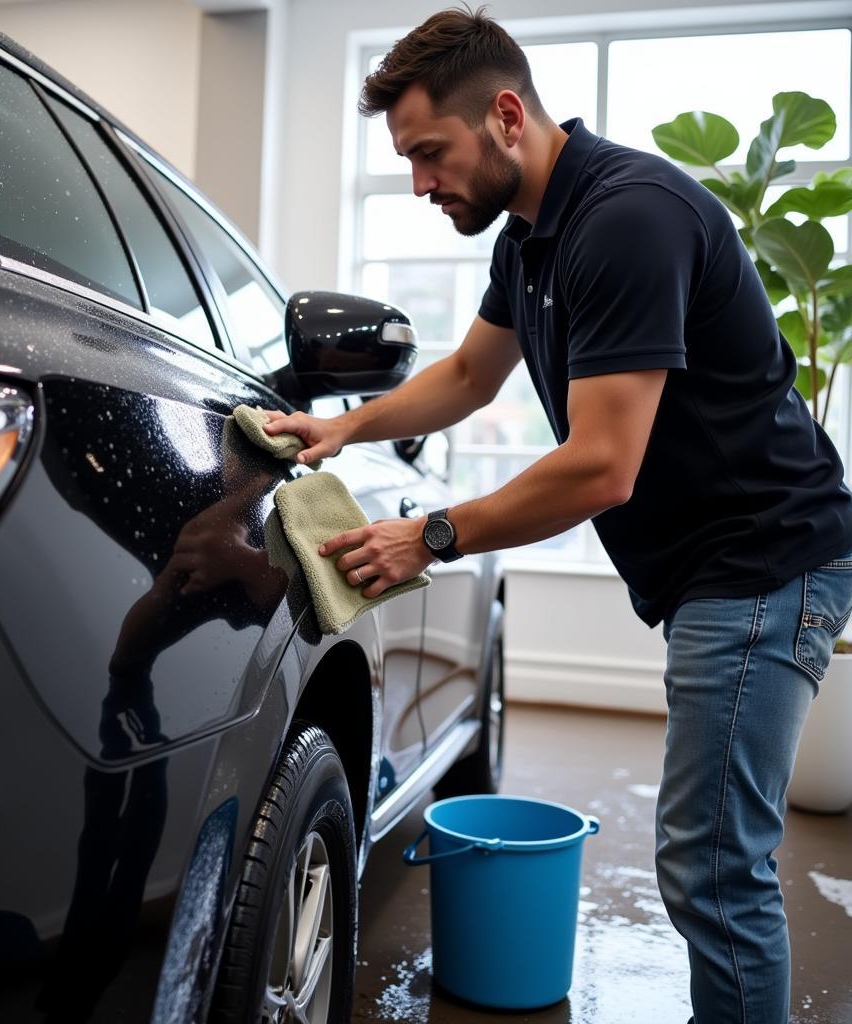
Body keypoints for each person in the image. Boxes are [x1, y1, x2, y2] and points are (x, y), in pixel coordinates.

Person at [263, 7, 852, 1023]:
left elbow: (600, 466)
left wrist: (429, 532)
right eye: (404, 161)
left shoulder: (626, 219)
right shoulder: (531, 236)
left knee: (713, 866)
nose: (419, 183)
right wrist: (339, 431)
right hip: (720, 568)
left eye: (429, 153)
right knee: (710, 855)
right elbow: (466, 375)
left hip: (765, 563)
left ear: (503, 115)